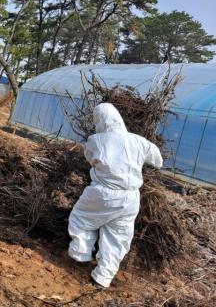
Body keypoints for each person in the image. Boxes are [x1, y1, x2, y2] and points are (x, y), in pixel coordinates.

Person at [66, 103, 163, 288]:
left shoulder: (96, 140)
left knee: (81, 219)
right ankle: (102, 278)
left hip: (103, 193)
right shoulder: (139, 141)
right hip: (131, 197)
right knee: (118, 237)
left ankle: (80, 254)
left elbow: (90, 158)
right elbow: (157, 161)